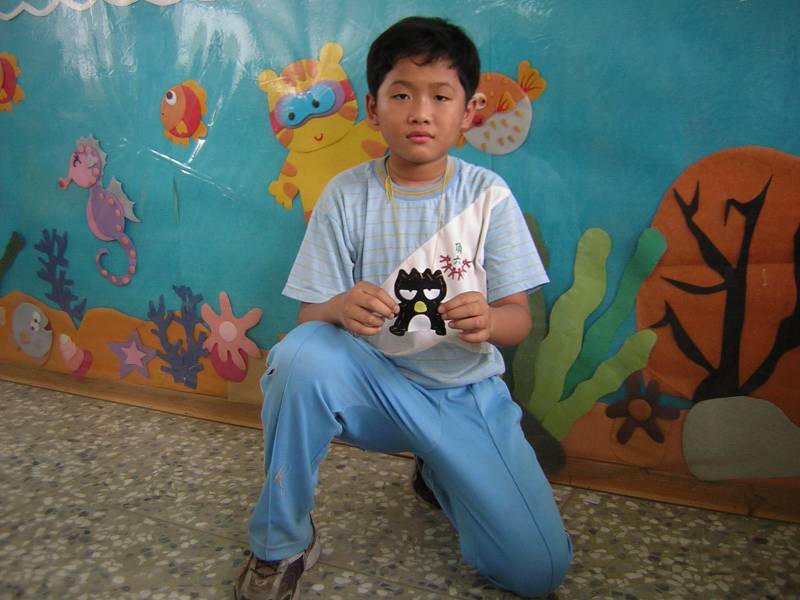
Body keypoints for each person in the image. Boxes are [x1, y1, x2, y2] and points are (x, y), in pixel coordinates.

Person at [235, 16, 573, 600]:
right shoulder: (346, 194)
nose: (421, 112)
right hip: (378, 391)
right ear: (372, 108)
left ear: (469, 111)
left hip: (465, 397)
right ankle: (282, 542)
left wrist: (491, 320)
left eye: (441, 96)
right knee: (298, 357)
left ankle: (440, 472)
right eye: (401, 95)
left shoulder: (487, 195)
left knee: (538, 572)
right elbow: (309, 322)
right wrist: (341, 305)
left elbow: (518, 319)